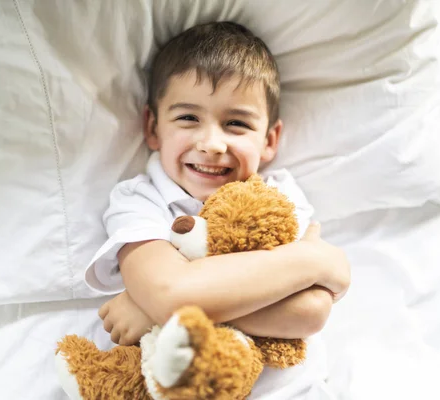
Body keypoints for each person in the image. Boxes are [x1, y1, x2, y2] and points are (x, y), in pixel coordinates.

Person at [84, 21, 350, 399]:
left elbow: (310, 313)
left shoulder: (280, 198)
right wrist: (314, 263)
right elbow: (169, 291)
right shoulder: (141, 201)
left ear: (269, 140)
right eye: (189, 118)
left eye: (236, 124)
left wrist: (153, 312)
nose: (211, 144)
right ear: (153, 127)